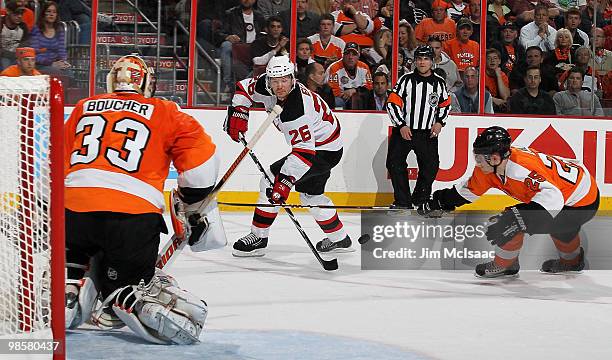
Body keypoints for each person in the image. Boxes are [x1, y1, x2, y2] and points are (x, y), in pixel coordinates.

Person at [64, 54, 225, 344]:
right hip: (132, 221)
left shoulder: (83, 107)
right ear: (148, 83)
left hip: (73, 215)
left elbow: (57, 164)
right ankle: (128, 296)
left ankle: (71, 286)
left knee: (74, 260)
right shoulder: (165, 110)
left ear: (111, 80)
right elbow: (202, 168)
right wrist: (190, 201)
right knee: (131, 286)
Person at [418, 126, 600, 278]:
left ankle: (506, 264)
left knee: (510, 220)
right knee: (555, 226)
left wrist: (518, 219)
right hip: (576, 188)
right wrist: (438, 203)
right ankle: (572, 262)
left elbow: (554, 199)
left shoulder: (520, 170)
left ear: (495, 158)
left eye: (480, 158)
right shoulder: (489, 168)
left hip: (583, 202)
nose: (477, 162)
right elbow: (468, 191)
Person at [225, 55, 352, 254]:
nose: (280, 86)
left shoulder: (296, 108)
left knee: (269, 180)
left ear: (293, 78)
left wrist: (284, 182)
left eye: (284, 80)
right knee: (311, 195)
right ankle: (340, 238)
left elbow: (304, 153)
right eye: (275, 81)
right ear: (268, 80)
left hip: (323, 151)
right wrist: (239, 111)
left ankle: (258, 237)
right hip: (323, 146)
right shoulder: (264, 85)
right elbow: (243, 88)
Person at [385, 45, 450, 209]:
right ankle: (403, 202)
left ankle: (420, 199)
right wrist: (400, 124)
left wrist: (439, 122)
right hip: (404, 131)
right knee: (394, 163)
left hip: (427, 133)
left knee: (431, 167)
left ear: (432, 61)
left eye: (426, 59)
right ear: (415, 61)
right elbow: (392, 103)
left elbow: (445, 105)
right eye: (419, 59)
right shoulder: (405, 80)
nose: (422, 62)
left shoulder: (439, 83)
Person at [325, 42, 373, 109]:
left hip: (359, 98)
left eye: (354, 54)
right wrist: (349, 95)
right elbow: (334, 92)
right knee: (338, 101)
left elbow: (369, 88)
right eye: (347, 54)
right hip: (340, 99)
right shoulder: (334, 68)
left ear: (358, 56)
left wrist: (354, 90)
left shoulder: (364, 67)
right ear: (343, 55)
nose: (350, 57)